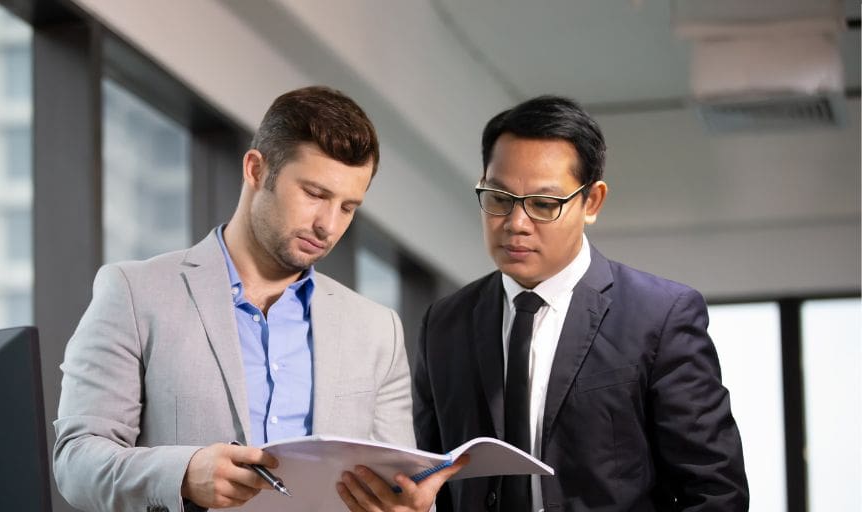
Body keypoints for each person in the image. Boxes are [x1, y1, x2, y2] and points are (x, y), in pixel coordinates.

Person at [53, 85, 460, 512]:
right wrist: (183, 473)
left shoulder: (378, 330)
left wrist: (410, 506)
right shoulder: (136, 293)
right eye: (315, 194)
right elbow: (76, 460)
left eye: (348, 207)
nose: (328, 225)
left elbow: (400, 482)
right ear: (255, 170)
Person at [412, 95, 749, 512]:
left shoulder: (659, 316)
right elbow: (428, 478)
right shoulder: (446, 323)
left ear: (592, 202)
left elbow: (715, 492)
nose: (516, 224)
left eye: (543, 204)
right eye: (499, 198)